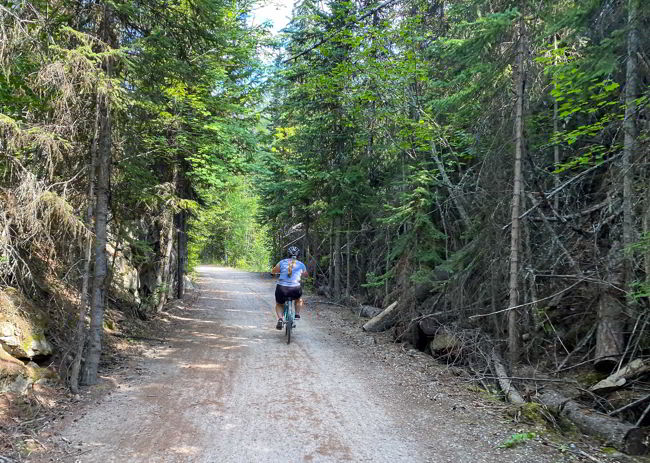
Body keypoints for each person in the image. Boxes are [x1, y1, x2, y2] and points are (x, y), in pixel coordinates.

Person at [271, 246, 309, 330]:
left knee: (279, 304)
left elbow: (273, 271)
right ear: (298, 255)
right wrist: (301, 274)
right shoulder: (301, 264)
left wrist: (275, 273)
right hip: (295, 289)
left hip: (282, 289)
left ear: (287, 254)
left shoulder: (281, 262)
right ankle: (297, 314)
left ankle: (280, 319)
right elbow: (306, 275)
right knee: (298, 300)